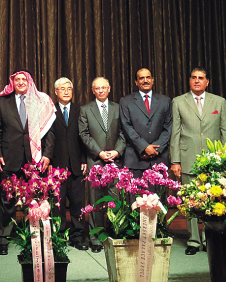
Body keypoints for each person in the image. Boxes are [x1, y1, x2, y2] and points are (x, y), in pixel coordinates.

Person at [0, 70, 55, 255]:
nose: (20, 82)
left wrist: (48, 155)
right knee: (7, 201)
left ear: (29, 82)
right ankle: (2, 239)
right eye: (17, 79)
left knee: (35, 201)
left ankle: (36, 237)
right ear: (12, 82)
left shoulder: (40, 102)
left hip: (34, 159)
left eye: (23, 79)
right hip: (9, 159)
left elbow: (49, 131)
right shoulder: (2, 102)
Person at [170, 67, 226, 255]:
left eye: (201, 78)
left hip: (213, 160)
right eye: (194, 78)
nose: (197, 81)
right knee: (191, 202)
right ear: (189, 81)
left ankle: (210, 237)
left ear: (207, 82)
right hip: (188, 157)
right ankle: (194, 240)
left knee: (213, 200)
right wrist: (175, 160)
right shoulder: (178, 102)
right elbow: (175, 132)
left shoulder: (219, 102)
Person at [79, 76, 126, 252]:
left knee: (115, 199)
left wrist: (116, 151)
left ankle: (115, 234)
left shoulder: (119, 108)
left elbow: (123, 132)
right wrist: (98, 152)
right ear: (93, 90)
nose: (101, 91)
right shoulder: (86, 110)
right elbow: (84, 134)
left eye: (103, 87)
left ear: (109, 88)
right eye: (97, 88)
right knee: (96, 201)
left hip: (115, 160)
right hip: (95, 160)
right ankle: (96, 238)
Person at [49, 77, 87, 251]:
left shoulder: (81, 110)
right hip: (56, 165)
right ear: (56, 92)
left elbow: (85, 137)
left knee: (78, 203)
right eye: (62, 89)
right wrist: (47, 159)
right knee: (58, 203)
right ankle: (58, 237)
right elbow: (46, 138)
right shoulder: (49, 111)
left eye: (69, 89)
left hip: (77, 165)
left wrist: (84, 159)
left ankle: (78, 236)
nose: (66, 91)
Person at [119, 68, 172, 178]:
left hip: (159, 159)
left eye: (148, 77)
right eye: (141, 78)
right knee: (136, 195)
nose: (145, 80)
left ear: (153, 80)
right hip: (136, 159)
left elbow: (168, 127)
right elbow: (126, 127)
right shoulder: (126, 101)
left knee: (158, 195)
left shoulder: (165, 101)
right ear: (136, 82)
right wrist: (144, 147)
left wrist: (155, 149)